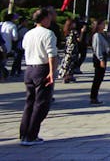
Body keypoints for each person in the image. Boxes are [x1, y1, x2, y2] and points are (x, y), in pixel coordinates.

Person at [19, 8, 58, 146]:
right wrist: (52, 72)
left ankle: (24, 133)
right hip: (42, 68)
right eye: (49, 17)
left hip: (29, 68)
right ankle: (31, 135)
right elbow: (51, 54)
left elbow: (24, 48)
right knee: (41, 103)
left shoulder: (28, 34)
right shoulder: (48, 34)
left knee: (29, 102)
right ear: (44, 19)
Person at [89, 19, 109, 105]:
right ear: (98, 25)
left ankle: (94, 96)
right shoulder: (97, 35)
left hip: (103, 56)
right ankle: (93, 97)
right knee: (97, 78)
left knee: (100, 78)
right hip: (99, 58)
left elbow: (108, 45)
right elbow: (97, 49)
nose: (104, 25)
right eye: (103, 24)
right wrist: (101, 59)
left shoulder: (102, 34)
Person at [57, 19, 79, 83]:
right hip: (73, 49)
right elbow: (79, 39)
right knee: (71, 63)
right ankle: (68, 76)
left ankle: (65, 75)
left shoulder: (66, 31)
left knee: (66, 62)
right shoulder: (74, 31)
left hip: (67, 49)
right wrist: (82, 32)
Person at [1, 13, 18, 78]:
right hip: (7, 46)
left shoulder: (1, 24)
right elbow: (15, 37)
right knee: (6, 60)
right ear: (11, 19)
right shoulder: (12, 26)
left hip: (1, 45)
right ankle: (6, 74)